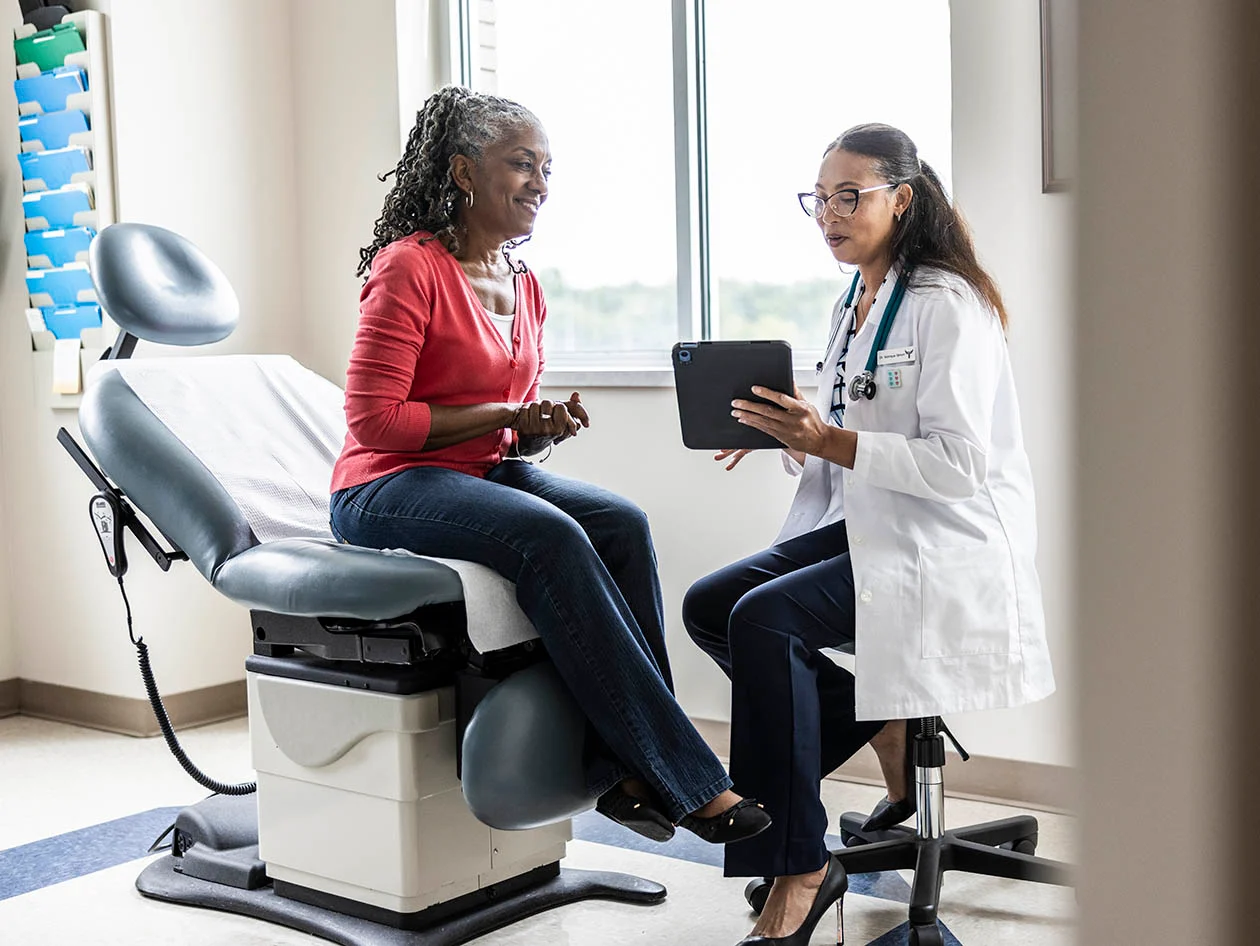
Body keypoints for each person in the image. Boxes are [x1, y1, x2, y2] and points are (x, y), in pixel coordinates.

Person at [329, 85, 770, 847]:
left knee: (621, 524)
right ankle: (688, 780)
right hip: (382, 485)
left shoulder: (526, 284)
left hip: (480, 472)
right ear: (464, 172)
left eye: (547, 168)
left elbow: (511, 437)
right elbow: (374, 421)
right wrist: (506, 418)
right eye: (521, 164)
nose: (540, 183)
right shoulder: (411, 269)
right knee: (549, 537)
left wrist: (538, 430)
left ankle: (631, 772)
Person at [682, 123, 1055, 944]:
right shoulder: (857, 298)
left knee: (765, 619)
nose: (829, 214)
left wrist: (829, 441)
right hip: (873, 520)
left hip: (947, 540)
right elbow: (844, 422)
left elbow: (960, 465)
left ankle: (798, 868)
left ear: (904, 198)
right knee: (713, 605)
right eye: (819, 198)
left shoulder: (947, 305)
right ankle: (878, 718)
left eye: (850, 196)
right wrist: (788, 435)